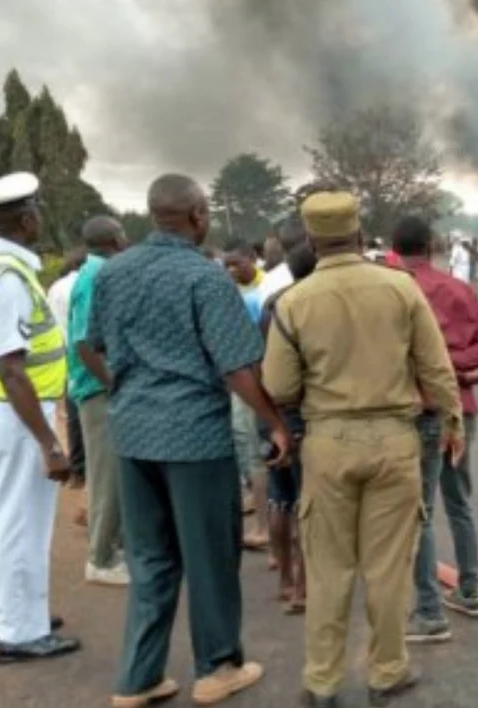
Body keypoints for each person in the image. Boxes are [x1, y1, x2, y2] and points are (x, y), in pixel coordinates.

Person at [86, 174, 290, 707]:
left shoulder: (114, 272)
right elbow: (238, 369)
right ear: (198, 215)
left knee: (150, 558)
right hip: (194, 439)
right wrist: (274, 422)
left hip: (132, 435)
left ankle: (138, 678)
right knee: (209, 555)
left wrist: (128, 391)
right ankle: (217, 666)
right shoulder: (205, 279)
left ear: (155, 215)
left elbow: (91, 345)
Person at [262, 190, 464, 708]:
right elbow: (436, 368)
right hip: (394, 442)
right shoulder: (400, 288)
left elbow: (279, 385)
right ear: (357, 234)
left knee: (328, 570)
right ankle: (386, 672)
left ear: (310, 240)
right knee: (388, 568)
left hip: (328, 445)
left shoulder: (293, 302)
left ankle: (323, 683)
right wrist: (452, 422)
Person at [0, 172, 79, 663]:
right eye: (37, 212)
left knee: (1, 516)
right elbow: (12, 369)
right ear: (25, 220)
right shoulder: (6, 277)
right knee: (21, 520)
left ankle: (10, 615)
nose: (40, 219)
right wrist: (49, 442)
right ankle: (21, 633)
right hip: (17, 412)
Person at [392, 216, 478, 645]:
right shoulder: (460, 289)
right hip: (460, 409)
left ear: (396, 250)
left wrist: (436, 370)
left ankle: (429, 612)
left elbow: (394, 354)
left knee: (419, 512)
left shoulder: (393, 292)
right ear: (434, 247)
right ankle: (470, 590)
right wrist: (460, 371)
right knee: (459, 501)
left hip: (417, 412)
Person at [257, 216, 317, 616]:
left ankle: (284, 581)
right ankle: (305, 588)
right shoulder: (310, 304)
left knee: (280, 499)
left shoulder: (269, 305)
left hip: (268, 411)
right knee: (308, 504)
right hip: (299, 413)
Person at [68, 217, 130, 587]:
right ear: (113, 240)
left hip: (101, 386)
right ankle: (101, 558)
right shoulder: (95, 278)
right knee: (106, 475)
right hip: (97, 389)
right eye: (122, 232)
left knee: (114, 473)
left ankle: (115, 547)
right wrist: (113, 381)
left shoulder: (99, 272)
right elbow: (84, 342)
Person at [223, 240, 272, 550]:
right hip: (240, 380)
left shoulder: (264, 291)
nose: (231, 270)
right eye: (227, 265)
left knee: (257, 452)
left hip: (253, 380)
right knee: (245, 443)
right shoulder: (230, 289)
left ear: (253, 259)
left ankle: (265, 527)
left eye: (237, 264)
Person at [48, 250, 88, 495]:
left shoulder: (55, 287)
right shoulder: (88, 282)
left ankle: (78, 470)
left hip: (65, 356)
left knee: (73, 416)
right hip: (90, 356)